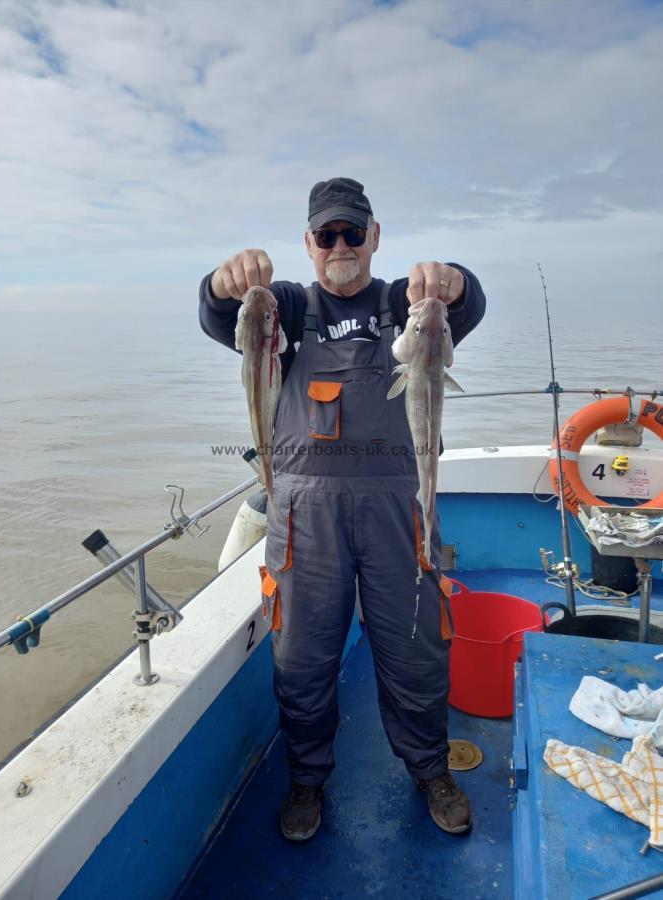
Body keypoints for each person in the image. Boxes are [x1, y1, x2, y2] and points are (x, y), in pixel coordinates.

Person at [199, 177, 486, 842]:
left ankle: (429, 770)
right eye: (325, 235)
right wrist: (220, 285)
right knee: (301, 657)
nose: (338, 245)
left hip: (401, 509)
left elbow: (467, 305)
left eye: (351, 232)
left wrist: (454, 282)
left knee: (416, 652)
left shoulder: (401, 303)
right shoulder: (285, 308)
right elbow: (221, 320)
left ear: (373, 237)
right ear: (307, 243)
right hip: (304, 520)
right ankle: (306, 779)